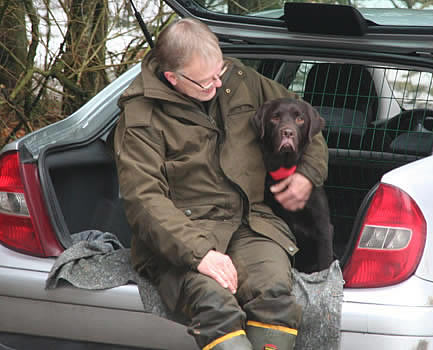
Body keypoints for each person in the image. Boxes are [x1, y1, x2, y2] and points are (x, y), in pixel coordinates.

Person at [113, 18, 328, 350]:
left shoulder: (240, 80)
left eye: (219, 72)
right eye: (205, 82)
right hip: (184, 235)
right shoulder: (141, 115)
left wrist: (307, 174)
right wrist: (200, 255)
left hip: (252, 223)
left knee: (274, 298)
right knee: (216, 305)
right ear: (172, 78)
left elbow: (305, 120)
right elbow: (144, 200)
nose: (217, 84)